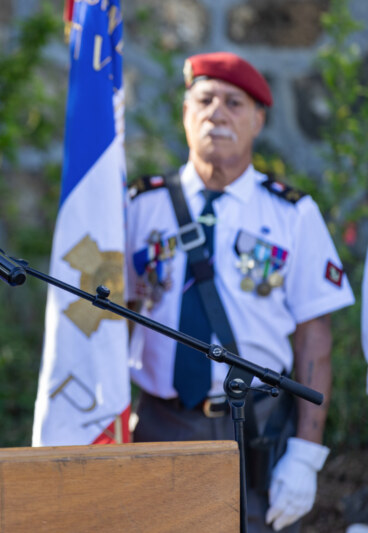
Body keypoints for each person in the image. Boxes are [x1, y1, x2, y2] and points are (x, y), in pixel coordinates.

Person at [125, 52, 354, 532]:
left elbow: (315, 337)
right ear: (186, 113)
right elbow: (115, 314)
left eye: (234, 102)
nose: (217, 113)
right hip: (160, 423)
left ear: (258, 120)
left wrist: (307, 454)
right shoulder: (140, 206)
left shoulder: (293, 213)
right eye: (204, 100)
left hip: (255, 427)